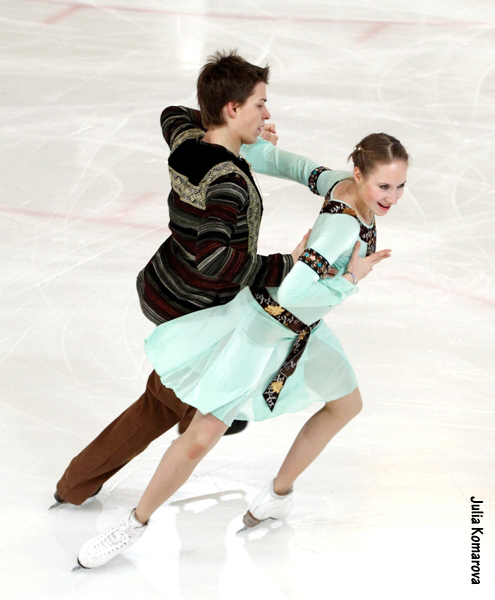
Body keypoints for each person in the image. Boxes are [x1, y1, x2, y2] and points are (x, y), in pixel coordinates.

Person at [74, 131, 409, 569]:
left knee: (346, 403)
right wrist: (350, 280)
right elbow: (295, 290)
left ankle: (276, 496)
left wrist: (254, 150)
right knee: (200, 438)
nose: (392, 197)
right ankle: (133, 525)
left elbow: (296, 167)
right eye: (384, 186)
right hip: (263, 328)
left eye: (401, 186)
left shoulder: (341, 182)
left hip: (300, 329)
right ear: (361, 174)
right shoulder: (343, 224)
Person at [52, 50, 336, 508]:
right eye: (259, 105)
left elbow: (172, 114)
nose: (267, 114)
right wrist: (286, 264)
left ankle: (205, 409)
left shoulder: (187, 141)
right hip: (194, 308)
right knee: (163, 401)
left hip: (166, 285)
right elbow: (214, 261)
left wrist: (244, 134)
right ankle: (81, 481)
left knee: (182, 396)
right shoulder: (228, 183)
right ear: (232, 108)